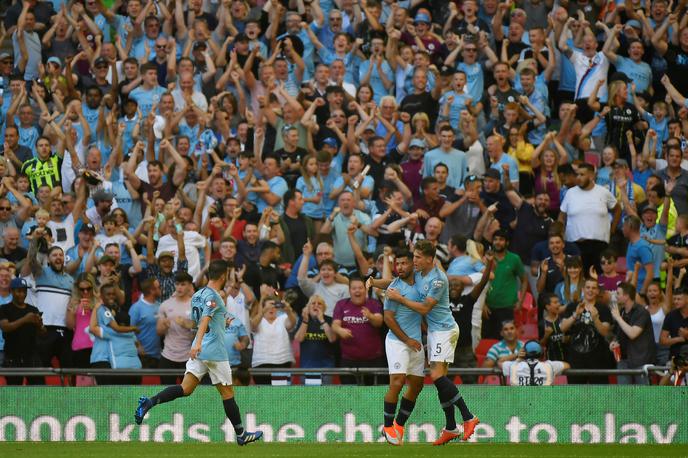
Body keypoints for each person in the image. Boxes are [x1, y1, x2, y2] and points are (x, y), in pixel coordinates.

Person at [134, 260, 263, 446]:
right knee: (227, 393)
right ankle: (241, 434)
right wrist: (200, 342)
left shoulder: (197, 295)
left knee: (185, 389)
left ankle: (150, 402)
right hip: (213, 351)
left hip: (199, 350)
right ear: (223, 276)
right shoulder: (215, 296)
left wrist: (218, 325)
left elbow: (197, 322)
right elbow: (204, 319)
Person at [387, 240, 479, 445]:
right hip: (436, 332)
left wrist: (400, 300)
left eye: (418, 257)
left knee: (436, 376)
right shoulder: (419, 274)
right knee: (441, 382)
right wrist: (374, 283)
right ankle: (451, 427)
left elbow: (424, 309)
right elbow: (396, 282)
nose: (414, 260)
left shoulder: (438, 279)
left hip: (444, 331)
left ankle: (468, 417)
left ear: (430, 259)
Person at [380, 249, 424, 446]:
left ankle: (399, 425)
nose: (400, 268)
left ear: (412, 264)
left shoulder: (422, 283)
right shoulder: (393, 289)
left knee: (416, 385)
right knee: (397, 382)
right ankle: (388, 427)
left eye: (403, 263)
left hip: (416, 342)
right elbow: (388, 318)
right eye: (397, 264)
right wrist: (406, 340)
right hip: (398, 341)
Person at [559, 163, 620, 272]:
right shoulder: (570, 193)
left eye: (582, 175)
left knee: (598, 281)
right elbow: (561, 216)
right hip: (575, 245)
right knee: (578, 280)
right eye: (577, 175)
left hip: (600, 245)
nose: (578, 178)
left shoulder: (604, 192)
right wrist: (562, 234)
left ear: (591, 176)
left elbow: (618, 209)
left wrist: (613, 229)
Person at [560, 277, 614, 384]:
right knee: (577, 396)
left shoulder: (603, 308)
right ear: (583, 290)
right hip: (576, 360)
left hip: (598, 360)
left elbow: (605, 332)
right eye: (588, 287)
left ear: (598, 291)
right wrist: (575, 315)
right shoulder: (572, 306)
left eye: (594, 288)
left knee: (600, 396)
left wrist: (595, 318)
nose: (590, 290)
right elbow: (562, 328)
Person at [332, 277, 384, 385]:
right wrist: (340, 330)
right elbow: (335, 324)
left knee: (373, 394)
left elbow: (379, 321)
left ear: (365, 290)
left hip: (373, 360)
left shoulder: (373, 304)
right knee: (350, 395)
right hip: (348, 360)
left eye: (360, 288)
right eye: (354, 288)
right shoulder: (341, 304)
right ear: (349, 291)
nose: (357, 291)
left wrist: (370, 316)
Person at [483, 230, 527, 340]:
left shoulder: (514, 259)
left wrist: (521, 300)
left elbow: (524, 280)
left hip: (507, 307)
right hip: (488, 307)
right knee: (487, 340)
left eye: (501, 240)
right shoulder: (486, 259)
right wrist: (482, 304)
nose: (498, 242)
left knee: (507, 340)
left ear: (507, 242)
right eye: (495, 239)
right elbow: (479, 282)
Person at [0, 278, 44, 386]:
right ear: (11, 291)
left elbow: (43, 333)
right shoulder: (4, 309)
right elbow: (5, 327)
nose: (22, 294)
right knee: (14, 391)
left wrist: (39, 324)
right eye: (19, 291)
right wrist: (25, 319)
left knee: (38, 389)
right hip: (12, 357)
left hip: (32, 356)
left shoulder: (33, 309)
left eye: (24, 291)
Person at [609, 282, 656, 385]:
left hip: (641, 360)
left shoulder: (641, 312)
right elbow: (616, 334)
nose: (615, 296)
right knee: (624, 396)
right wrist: (613, 342)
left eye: (618, 293)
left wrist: (618, 318)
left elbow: (633, 334)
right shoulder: (621, 312)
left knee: (643, 397)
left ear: (626, 296)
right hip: (623, 360)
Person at [249, 293, 297, 385]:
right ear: (263, 308)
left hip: (282, 362)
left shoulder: (283, 318)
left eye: (274, 306)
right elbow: (253, 326)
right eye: (268, 306)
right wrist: (262, 312)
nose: (271, 308)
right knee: (263, 395)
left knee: (281, 396)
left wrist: (288, 311)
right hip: (261, 363)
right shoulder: (259, 320)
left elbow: (292, 323)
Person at [157, 272, 195, 385]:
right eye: (177, 284)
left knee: (188, 394)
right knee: (166, 393)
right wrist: (163, 326)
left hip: (188, 357)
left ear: (189, 286)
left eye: (183, 284)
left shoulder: (195, 305)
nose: (179, 287)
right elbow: (158, 332)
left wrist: (188, 325)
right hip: (168, 356)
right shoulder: (165, 305)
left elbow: (203, 331)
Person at [502, 340, 570, 386]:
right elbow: (567, 365)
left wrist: (517, 356)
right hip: (542, 404)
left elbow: (500, 362)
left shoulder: (514, 366)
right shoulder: (550, 366)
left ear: (524, 352)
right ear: (541, 353)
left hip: (521, 405)